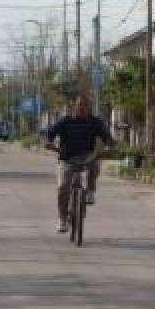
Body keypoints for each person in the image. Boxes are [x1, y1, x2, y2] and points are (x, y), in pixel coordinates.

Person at [45, 95, 113, 233]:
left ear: (89, 107)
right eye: (79, 105)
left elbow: (106, 137)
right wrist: (49, 142)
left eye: (85, 105)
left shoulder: (95, 122)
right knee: (63, 187)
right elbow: (50, 132)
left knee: (95, 161)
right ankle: (63, 220)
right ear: (74, 106)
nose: (82, 108)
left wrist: (109, 146)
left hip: (87, 156)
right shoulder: (65, 121)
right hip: (67, 158)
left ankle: (90, 191)